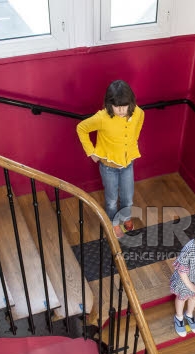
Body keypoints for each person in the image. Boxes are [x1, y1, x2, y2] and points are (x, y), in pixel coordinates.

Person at [77, 80, 144, 238]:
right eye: (116, 106)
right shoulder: (102, 117)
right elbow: (81, 128)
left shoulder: (138, 113)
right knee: (112, 199)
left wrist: (133, 141)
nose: (121, 110)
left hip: (128, 165)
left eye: (124, 106)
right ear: (109, 104)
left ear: (131, 103)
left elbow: (139, 123)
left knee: (128, 198)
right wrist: (91, 152)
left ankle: (125, 218)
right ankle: (113, 223)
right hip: (108, 168)